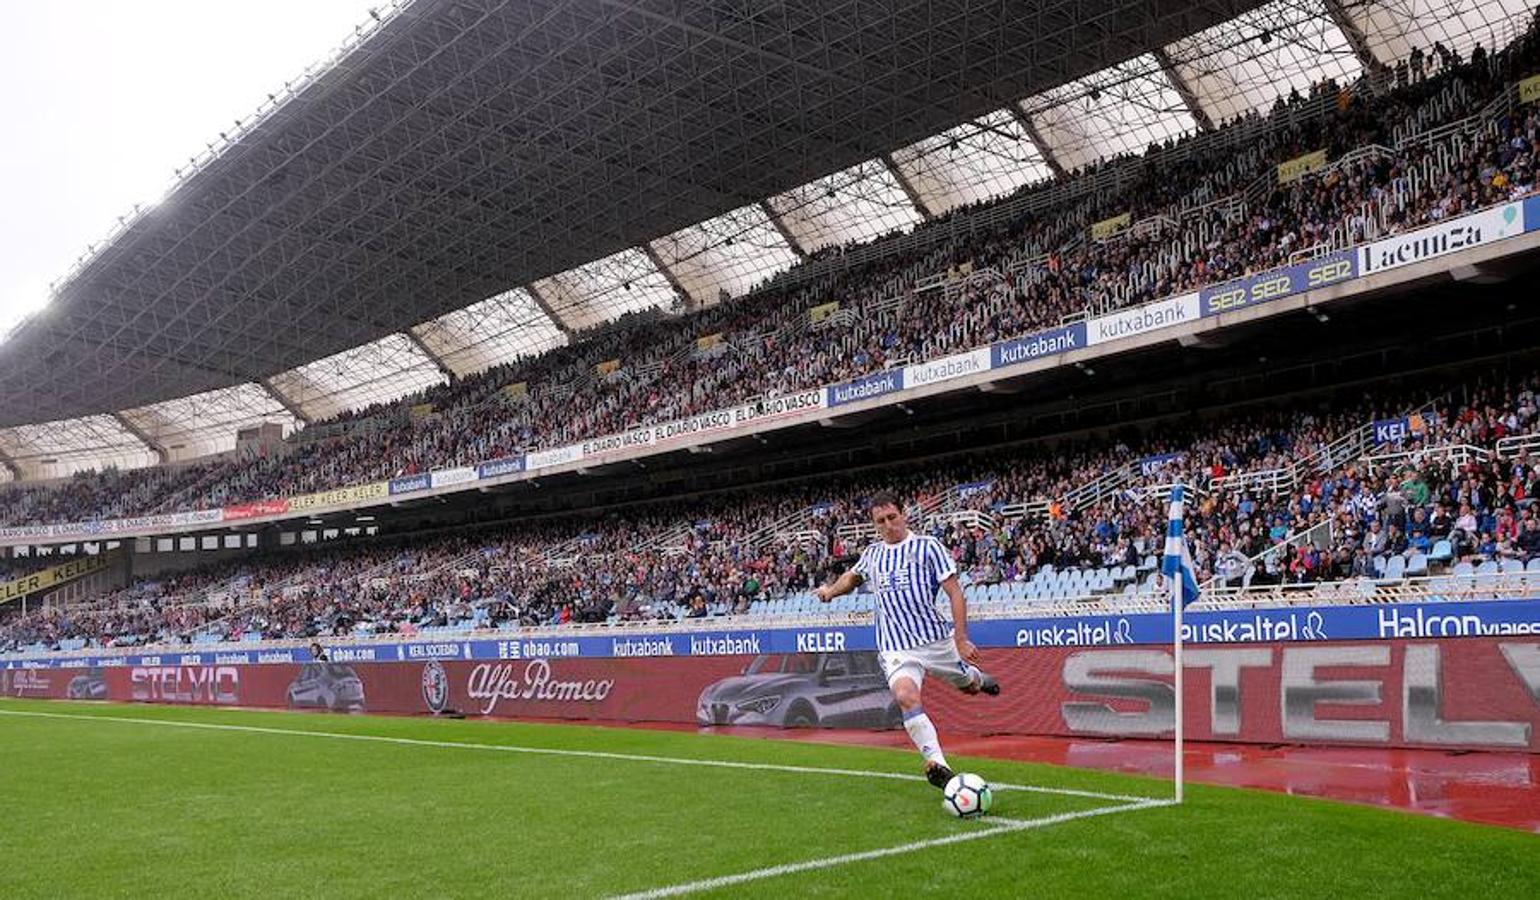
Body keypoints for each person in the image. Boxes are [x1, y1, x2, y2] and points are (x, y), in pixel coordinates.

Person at [814, 492, 999, 790]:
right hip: (896, 647)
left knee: (970, 687)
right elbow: (851, 578)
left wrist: (961, 639)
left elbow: (955, 592)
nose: (888, 525)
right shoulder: (873, 554)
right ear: (875, 525)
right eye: (880, 521)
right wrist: (829, 592)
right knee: (905, 696)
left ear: (904, 515)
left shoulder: (927, 547)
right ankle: (940, 766)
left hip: (936, 642)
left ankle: (976, 677)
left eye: (892, 517)